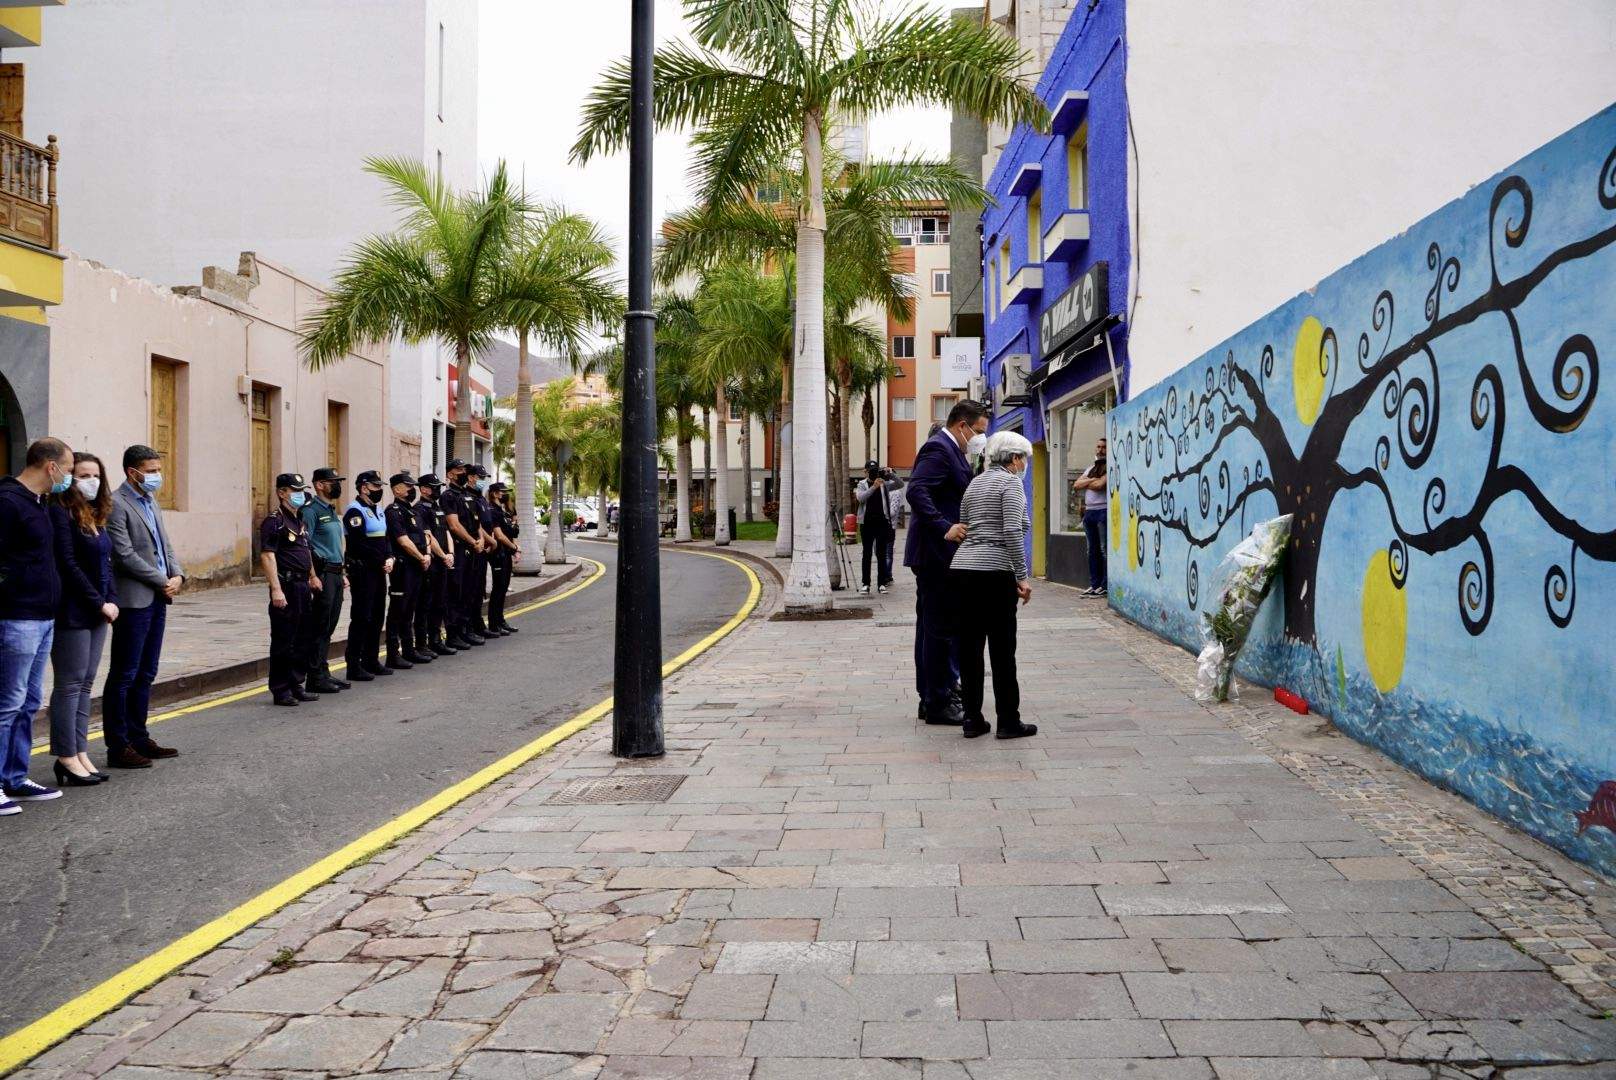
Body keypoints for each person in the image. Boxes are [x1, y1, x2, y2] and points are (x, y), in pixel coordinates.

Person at [904, 400, 989, 726]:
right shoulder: (939, 449)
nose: (980, 437)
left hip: (939, 555)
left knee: (932, 630)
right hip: (936, 555)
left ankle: (932, 695)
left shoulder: (951, 450)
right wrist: (945, 526)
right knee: (939, 631)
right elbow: (918, 491)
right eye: (978, 431)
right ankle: (938, 701)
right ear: (962, 426)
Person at [0, 437, 73, 813]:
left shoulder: (41, 503)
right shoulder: (8, 502)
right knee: (7, 702)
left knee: (28, 701)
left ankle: (14, 777)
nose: (70, 477)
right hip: (17, 616)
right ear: (51, 467)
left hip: (44, 617)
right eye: (69, 468)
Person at [952, 431, 1038, 740]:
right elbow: (1013, 531)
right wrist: (1021, 576)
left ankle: (972, 719)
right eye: (1024, 459)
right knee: (1003, 650)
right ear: (1015, 459)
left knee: (970, 649)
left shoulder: (975, 482)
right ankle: (1008, 722)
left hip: (963, 570)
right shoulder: (1011, 483)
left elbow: (964, 524)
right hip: (994, 573)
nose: (1024, 465)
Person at [104, 444, 183, 769]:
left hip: (157, 596)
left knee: (147, 672)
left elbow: (165, 545)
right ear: (132, 472)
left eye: (157, 470)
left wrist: (177, 573)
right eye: (150, 471)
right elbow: (123, 555)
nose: (156, 477)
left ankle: (139, 736)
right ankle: (118, 745)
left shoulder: (151, 502)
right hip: (134, 599)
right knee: (125, 673)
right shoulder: (115, 503)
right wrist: (161, 579)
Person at [48, 452, 117, 785]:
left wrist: (112, 599)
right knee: (70, 684)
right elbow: (67, 564)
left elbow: (107, 563)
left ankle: (80, 750)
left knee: (87, 683)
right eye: (83, 475)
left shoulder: (94, 514)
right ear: (69, 477)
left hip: (99, 611)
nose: (91, 481)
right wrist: (98, 602)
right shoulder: (60, 512)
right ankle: (65, 755)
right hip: (73, 611)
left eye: (96, 475)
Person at [260, 473, 321, 706]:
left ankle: (296, 683)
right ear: (282, 493)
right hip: (285, 585)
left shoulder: (299, 520)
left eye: (301, 490)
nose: (299, 494)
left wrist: (313, 576)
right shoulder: (274, 521)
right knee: (284, 639)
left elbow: (305, 552)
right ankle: (281, 688)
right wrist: (276, 589)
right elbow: (267, 556)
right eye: (294, 490)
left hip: (303, 585)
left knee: (302, 637)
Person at [301, 467, 349, 694]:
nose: (336, 485)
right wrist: (312, 575)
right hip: (323, 574)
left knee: (329, 625)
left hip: (336, 573)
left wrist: (343, 572)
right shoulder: (310, 511)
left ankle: (323, 671)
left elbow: (337, 543)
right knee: (320, 625)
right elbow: (305, 545)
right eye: (332, 481)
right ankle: (315, 676)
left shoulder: (330, 509)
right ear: (319, 485)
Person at [342, 470, 394, 680]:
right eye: (375, 487)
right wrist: (381, 559)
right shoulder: (354, 511)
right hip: (363, 570)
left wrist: (390, 557)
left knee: (377, 616)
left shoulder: (378, 510)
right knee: (362, 617)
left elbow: (386, 537)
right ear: (364, 488)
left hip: (379, 570)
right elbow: (358, 543)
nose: (379, 491)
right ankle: (354, 665)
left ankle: (371, 660)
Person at [384, 471, 434, 669]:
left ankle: (409, 649)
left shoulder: (412, 511)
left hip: (417, 566)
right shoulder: (393, 511)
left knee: (410, 610)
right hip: (403, 568)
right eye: (408, 486)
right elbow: (403, 541)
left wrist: (427, 555)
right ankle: (392, 654)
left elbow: (425, 536)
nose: (411, 489)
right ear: (397, 489)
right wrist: (422, 557)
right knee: (398, 611)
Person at [441, 461, 485, 648]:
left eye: (464, 471)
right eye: (459, 471)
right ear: (450, 474)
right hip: (460, 549)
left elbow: (477, 523)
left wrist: (481, 539)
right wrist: (472, 541)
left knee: (470, 590)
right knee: (456, 593)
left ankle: (466, 630)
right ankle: (454, 634)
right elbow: (453, 525)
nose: (463, 473)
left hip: (473, 548)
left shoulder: (468, 495)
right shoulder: (448, 496)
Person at [413, 474, 457, 657]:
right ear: (424, 489)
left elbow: (446, 531)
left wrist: (451, 553)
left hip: (443, 561)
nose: (437, 489)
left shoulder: (438, 507)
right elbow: (428, 535)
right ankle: (422, 644)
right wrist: (442, 555)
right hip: (432, 562)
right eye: (434, 487)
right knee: (426, 604)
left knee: (440, 602)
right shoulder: (419, 509)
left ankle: (436, 640)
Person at [854, 460, 903, 595]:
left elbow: (900, 484)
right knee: (867, 554)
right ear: (865, 472)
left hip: (882, 522)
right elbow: (861, 498)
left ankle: (881, 583)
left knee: (881, 554)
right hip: (866, 523)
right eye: (871, 471)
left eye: (876, 470)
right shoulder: (861, 484)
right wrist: (873, 487)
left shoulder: (884, 484)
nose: (874, 473)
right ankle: (866, 584)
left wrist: (891, 474)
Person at [1072, 436, 1109, 597]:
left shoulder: (1110, 467)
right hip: (1089, 514)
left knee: (1104, 550)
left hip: (1103, 511)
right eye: (1098, 447)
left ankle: (1105, 585)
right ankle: (1094, 585)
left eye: (1104, 447)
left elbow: (1101, 485)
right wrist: (1093, 479)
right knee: (1091, 551)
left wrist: (1089, 482)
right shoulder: (1091, 468)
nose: (1100, 450)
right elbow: (1076, 484)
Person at [485, 482, 522, 634]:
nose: (504, 494)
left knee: (503, 588)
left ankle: (500, 620)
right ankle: (494, 623)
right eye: (501, 492)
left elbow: (511, 532)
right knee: (498, 589)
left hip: (505, 553)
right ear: (494, 493)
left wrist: (513, 550)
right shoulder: (492, 510)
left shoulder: (502, 510)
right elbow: (499, 535)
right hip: (497, 554)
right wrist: (514, 548)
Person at [466, 465, 495, 640]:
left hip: (485, 548)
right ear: (470, 477)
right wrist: (489, 540)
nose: (482, 480)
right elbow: (477, 525)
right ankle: (471, 626)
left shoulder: (480, 498)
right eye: (479, 477)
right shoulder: (468, 497)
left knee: (479, 589)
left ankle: (478, 624)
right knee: (472, 590)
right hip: (477, 547)